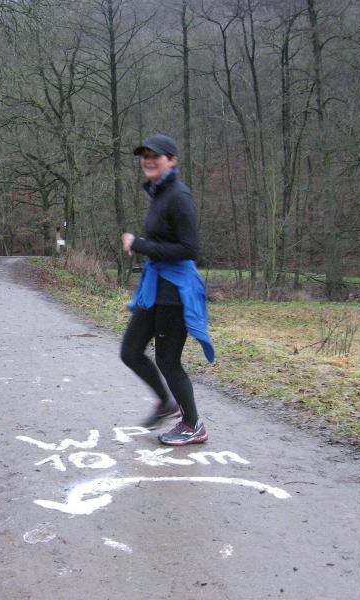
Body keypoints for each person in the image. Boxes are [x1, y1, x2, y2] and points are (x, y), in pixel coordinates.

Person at [120, 133, 214, 446]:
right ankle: (166, 402)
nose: (148, 160)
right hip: (156, 287)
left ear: (171, 160)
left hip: (175, 291)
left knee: (168, 360)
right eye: (144, 156)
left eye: (155, 156)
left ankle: (193, 424)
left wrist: (140, 244)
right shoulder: (159, 193)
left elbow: (189, 249)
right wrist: (142, 245)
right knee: (131, 351)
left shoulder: (178, 196)